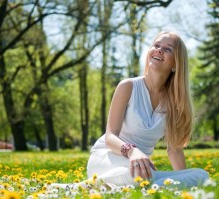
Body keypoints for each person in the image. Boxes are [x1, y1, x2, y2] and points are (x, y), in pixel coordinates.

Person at [86, 31, 209, 188]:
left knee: (201, 175)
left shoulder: (175, 101)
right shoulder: (128, 87)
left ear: (176, 63)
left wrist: (184, 182)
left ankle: (143, 186)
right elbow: (110, 137)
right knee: (139, 175)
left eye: (168, 49)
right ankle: (90, 185)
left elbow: (174, 150)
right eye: (156, 45)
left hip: (140, 168)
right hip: (108, 157)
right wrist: (132, 152)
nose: (159, 50)